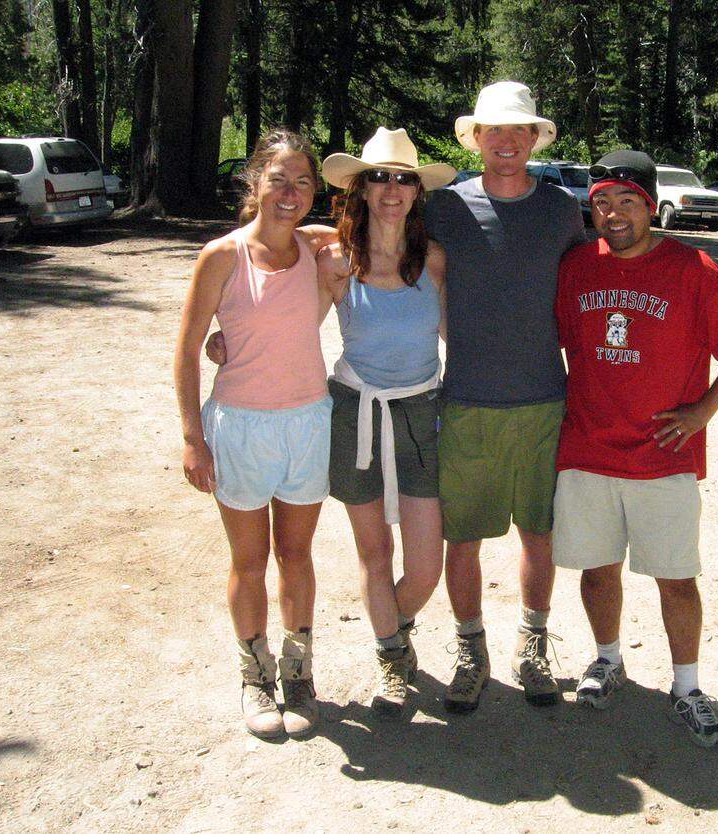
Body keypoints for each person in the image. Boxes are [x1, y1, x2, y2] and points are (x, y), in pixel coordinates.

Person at [552, 149, 718, 747]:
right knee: (598, 570)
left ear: (651, 206)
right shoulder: (577, 267)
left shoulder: (692, 268)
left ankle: (687, 686)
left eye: (628, 201)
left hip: (662, 455)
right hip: (588, 448)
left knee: (676, 579)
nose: (614, 214)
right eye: (602, 202)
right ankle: (607, 659)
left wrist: (703, 411)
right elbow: (563, 346)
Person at [423, 81, 585, 712]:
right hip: (465, 399)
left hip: (546, 399)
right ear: (477, 139)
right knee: (461, 538)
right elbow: (378, 254)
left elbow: (592, 283)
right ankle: (470, 648)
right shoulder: (444, 208)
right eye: (496, 130)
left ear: (534, 139)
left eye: (520, 131)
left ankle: (533, 644)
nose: (508, 141)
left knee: (538, 534)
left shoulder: (560, 210)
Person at [174, 129, 338, 740]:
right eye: (279, 178)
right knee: (248, 560)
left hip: (307, 423)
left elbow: (365, 229)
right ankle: (254, 674)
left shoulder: (320, 251)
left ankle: (298, 673)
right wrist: (194, 436)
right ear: (255, 183)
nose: (290, 192)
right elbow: (189, 350)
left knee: (296, 555)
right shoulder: (222, 255)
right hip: (239, 428)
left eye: (303, 181)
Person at [319, 128, 454, 717]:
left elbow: (458, 335)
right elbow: (285, 316)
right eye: (380, 177)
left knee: (425, 567)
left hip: (422, 411)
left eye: (404, 178)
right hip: (355, 410)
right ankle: (390, 658)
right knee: (376, 552)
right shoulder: (336, 261)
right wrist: (229, 341)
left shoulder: (436, 261)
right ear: (361, 188)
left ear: (417, 191)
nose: (392, 188)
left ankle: (393, 628)